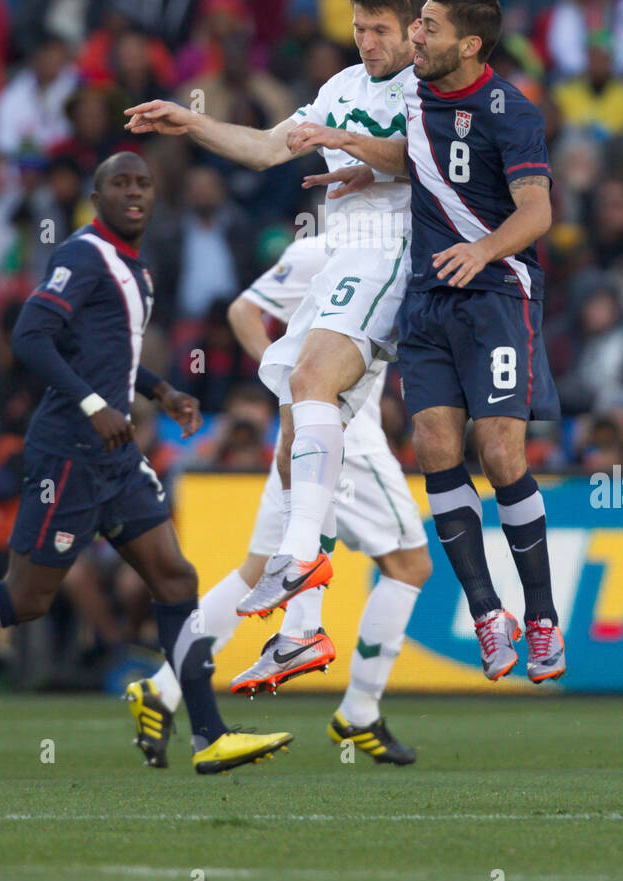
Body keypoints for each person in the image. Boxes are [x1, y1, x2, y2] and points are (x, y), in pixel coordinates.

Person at [0, 152, 291, 775]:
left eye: (144, 181)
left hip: (115, 459)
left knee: (175, 580)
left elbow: (101, 351)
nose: (135, 192)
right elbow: (31, 336)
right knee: (26, 597)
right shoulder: (83, 255)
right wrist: (93, 405)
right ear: (97, 196)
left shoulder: (134, 266)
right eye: (120, 183)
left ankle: (209, 736)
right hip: (68, 453)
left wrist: (160, 392)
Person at [125, 0, 422, 620]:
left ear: (412, 32)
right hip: (343, 256)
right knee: (292, 397)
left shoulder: (423, 89)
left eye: (380, 30)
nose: (367, 41)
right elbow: (265, 148)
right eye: (358, 28)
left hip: (392, 254)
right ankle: (299, 602)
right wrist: (192, 124)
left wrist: (344, 141)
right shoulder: (340, 84)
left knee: (314, 391)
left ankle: (317, 590)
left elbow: (415, 157)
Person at [290, 0, 565, 685]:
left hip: (498, 297)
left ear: (469, 45)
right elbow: (415, 155)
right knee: (438, 449)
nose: (415, 36)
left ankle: (541, 617)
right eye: (415, 24)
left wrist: (484, 250)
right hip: (428, 301)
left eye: (429, 27)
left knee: (498, 451)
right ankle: (484, 613)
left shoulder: (513, 113)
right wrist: (362, 160)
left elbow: (537, 213)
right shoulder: (413, 94)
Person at [125, 233, 431, 767]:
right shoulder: (373, 245)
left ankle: (164, 687)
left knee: (258, 569)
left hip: (302, 434)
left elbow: (247, 307)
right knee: (408, 565)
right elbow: (245, 311)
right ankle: (358, 711)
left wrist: (294, 397)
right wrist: (293, 386)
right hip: (344, 433)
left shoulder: (333, 241)